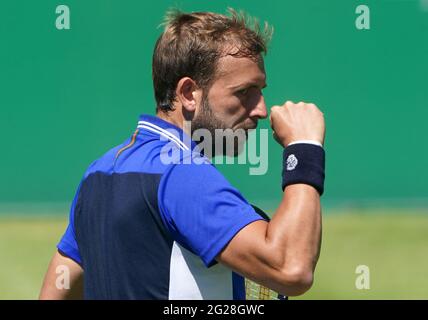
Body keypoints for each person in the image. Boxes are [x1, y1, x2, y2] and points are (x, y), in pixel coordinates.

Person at [39, 9, 326, 300]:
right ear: (189, 93)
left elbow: (56, 292)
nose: (261, 110)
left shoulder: (98, 173)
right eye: (244, 92)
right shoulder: (182, 173)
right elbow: (291, 269)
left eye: (261, 90)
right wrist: (304, 148)